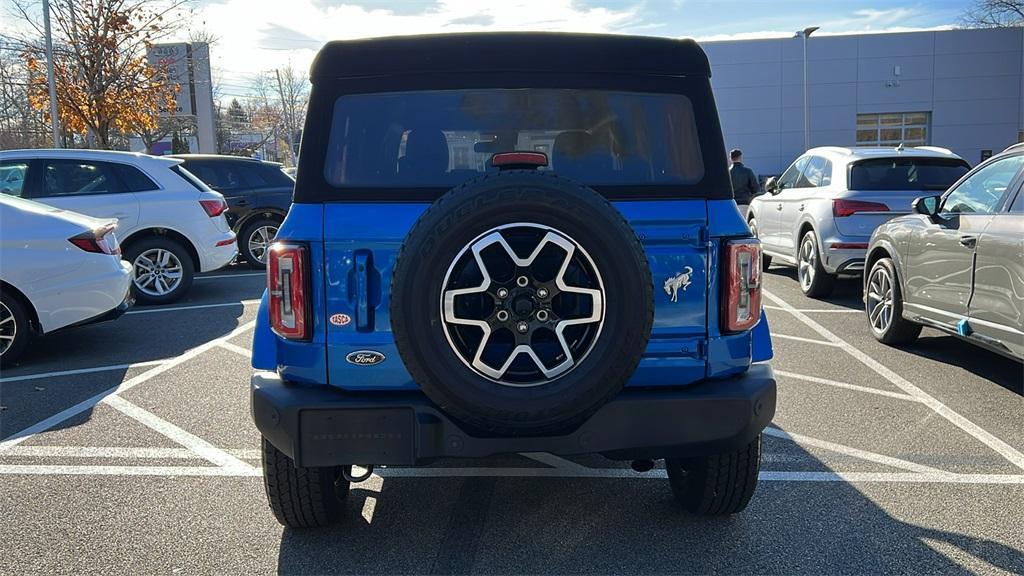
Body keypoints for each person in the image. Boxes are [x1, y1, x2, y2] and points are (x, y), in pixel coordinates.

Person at [729, 148, 759, 217]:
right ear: (740, 157)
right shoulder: (747, 171)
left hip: (731, 204)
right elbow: (755, 189)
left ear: (730, 158)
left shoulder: (726, 173)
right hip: (744, 203)